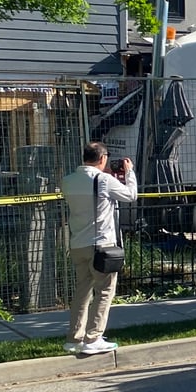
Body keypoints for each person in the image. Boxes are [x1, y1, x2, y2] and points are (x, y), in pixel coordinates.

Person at [59, 141, 137, 355]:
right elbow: (130, 195)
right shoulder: (103, 180)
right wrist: (129, 174)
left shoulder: (68, 181)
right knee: (104, 291)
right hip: (100, 245)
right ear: (102, 159)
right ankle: (93, 338)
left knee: (82, 292)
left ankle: (74, 339)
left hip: (78, 244)